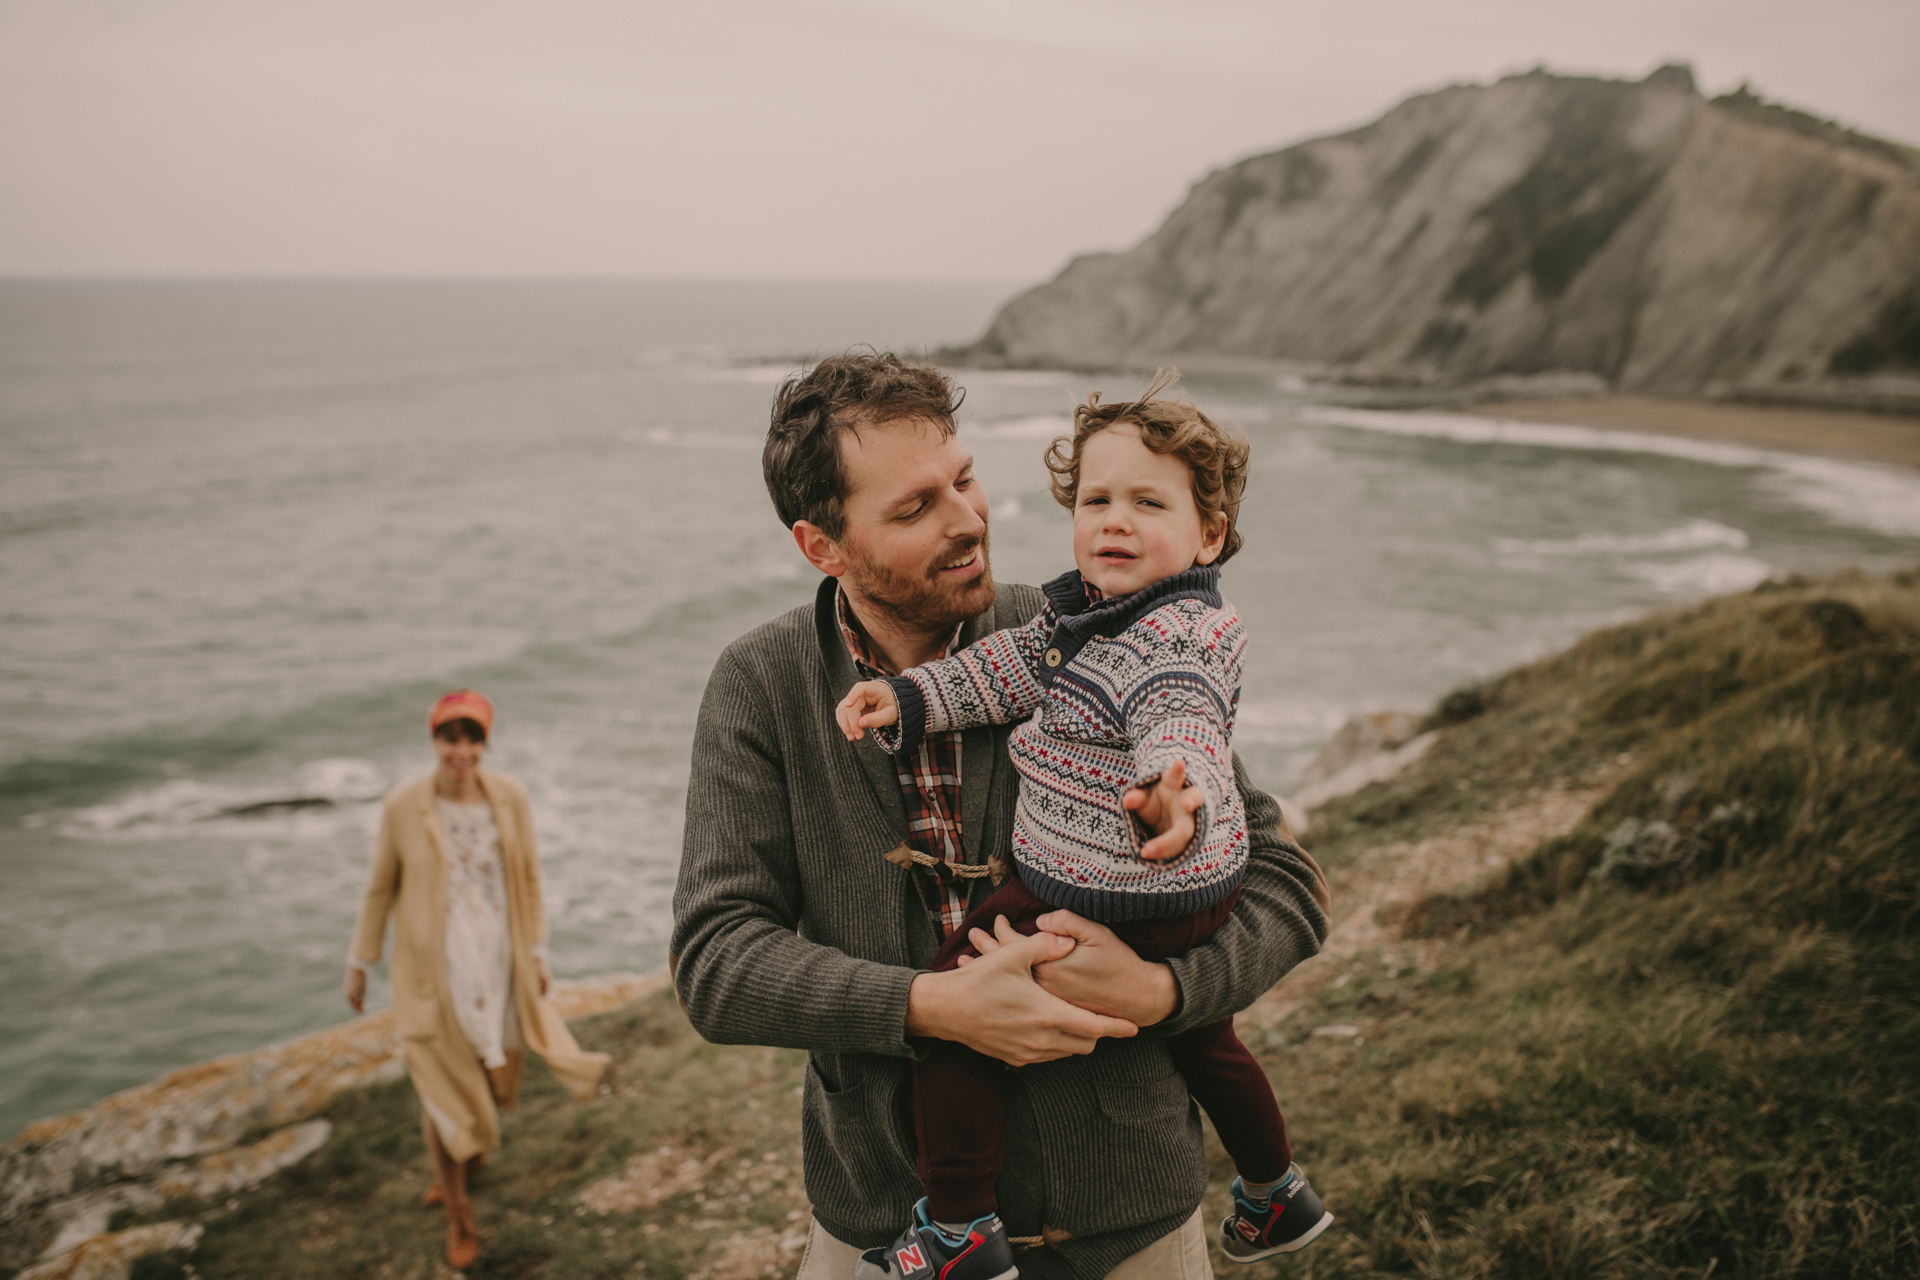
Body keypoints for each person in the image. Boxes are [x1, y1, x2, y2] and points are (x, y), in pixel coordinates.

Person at [671, 351, 1329, 1279]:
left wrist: (1167, 993)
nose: (968, 520)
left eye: (966, 479)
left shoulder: (1098, 629)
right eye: (913, 508)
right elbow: (716, 962)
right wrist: (931, 1007)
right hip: (880, 1223)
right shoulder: (760, 684)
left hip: (1131, 1223)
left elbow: (1285, 886)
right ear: (822, 545)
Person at [345, 690, 610, 1271]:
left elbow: (531, 876)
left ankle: (462, 1154)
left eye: (472, 738)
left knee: (489, 1077)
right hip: (434, 966)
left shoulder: (509, 796)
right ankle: (458, 1215)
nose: (460, 751)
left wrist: (537, 951)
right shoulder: (403, 805)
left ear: (484, 744)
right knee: (442, 1088)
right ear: (434, 739)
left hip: (497, 954)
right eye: (450, 737)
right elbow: (380, 888)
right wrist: (360, 963)